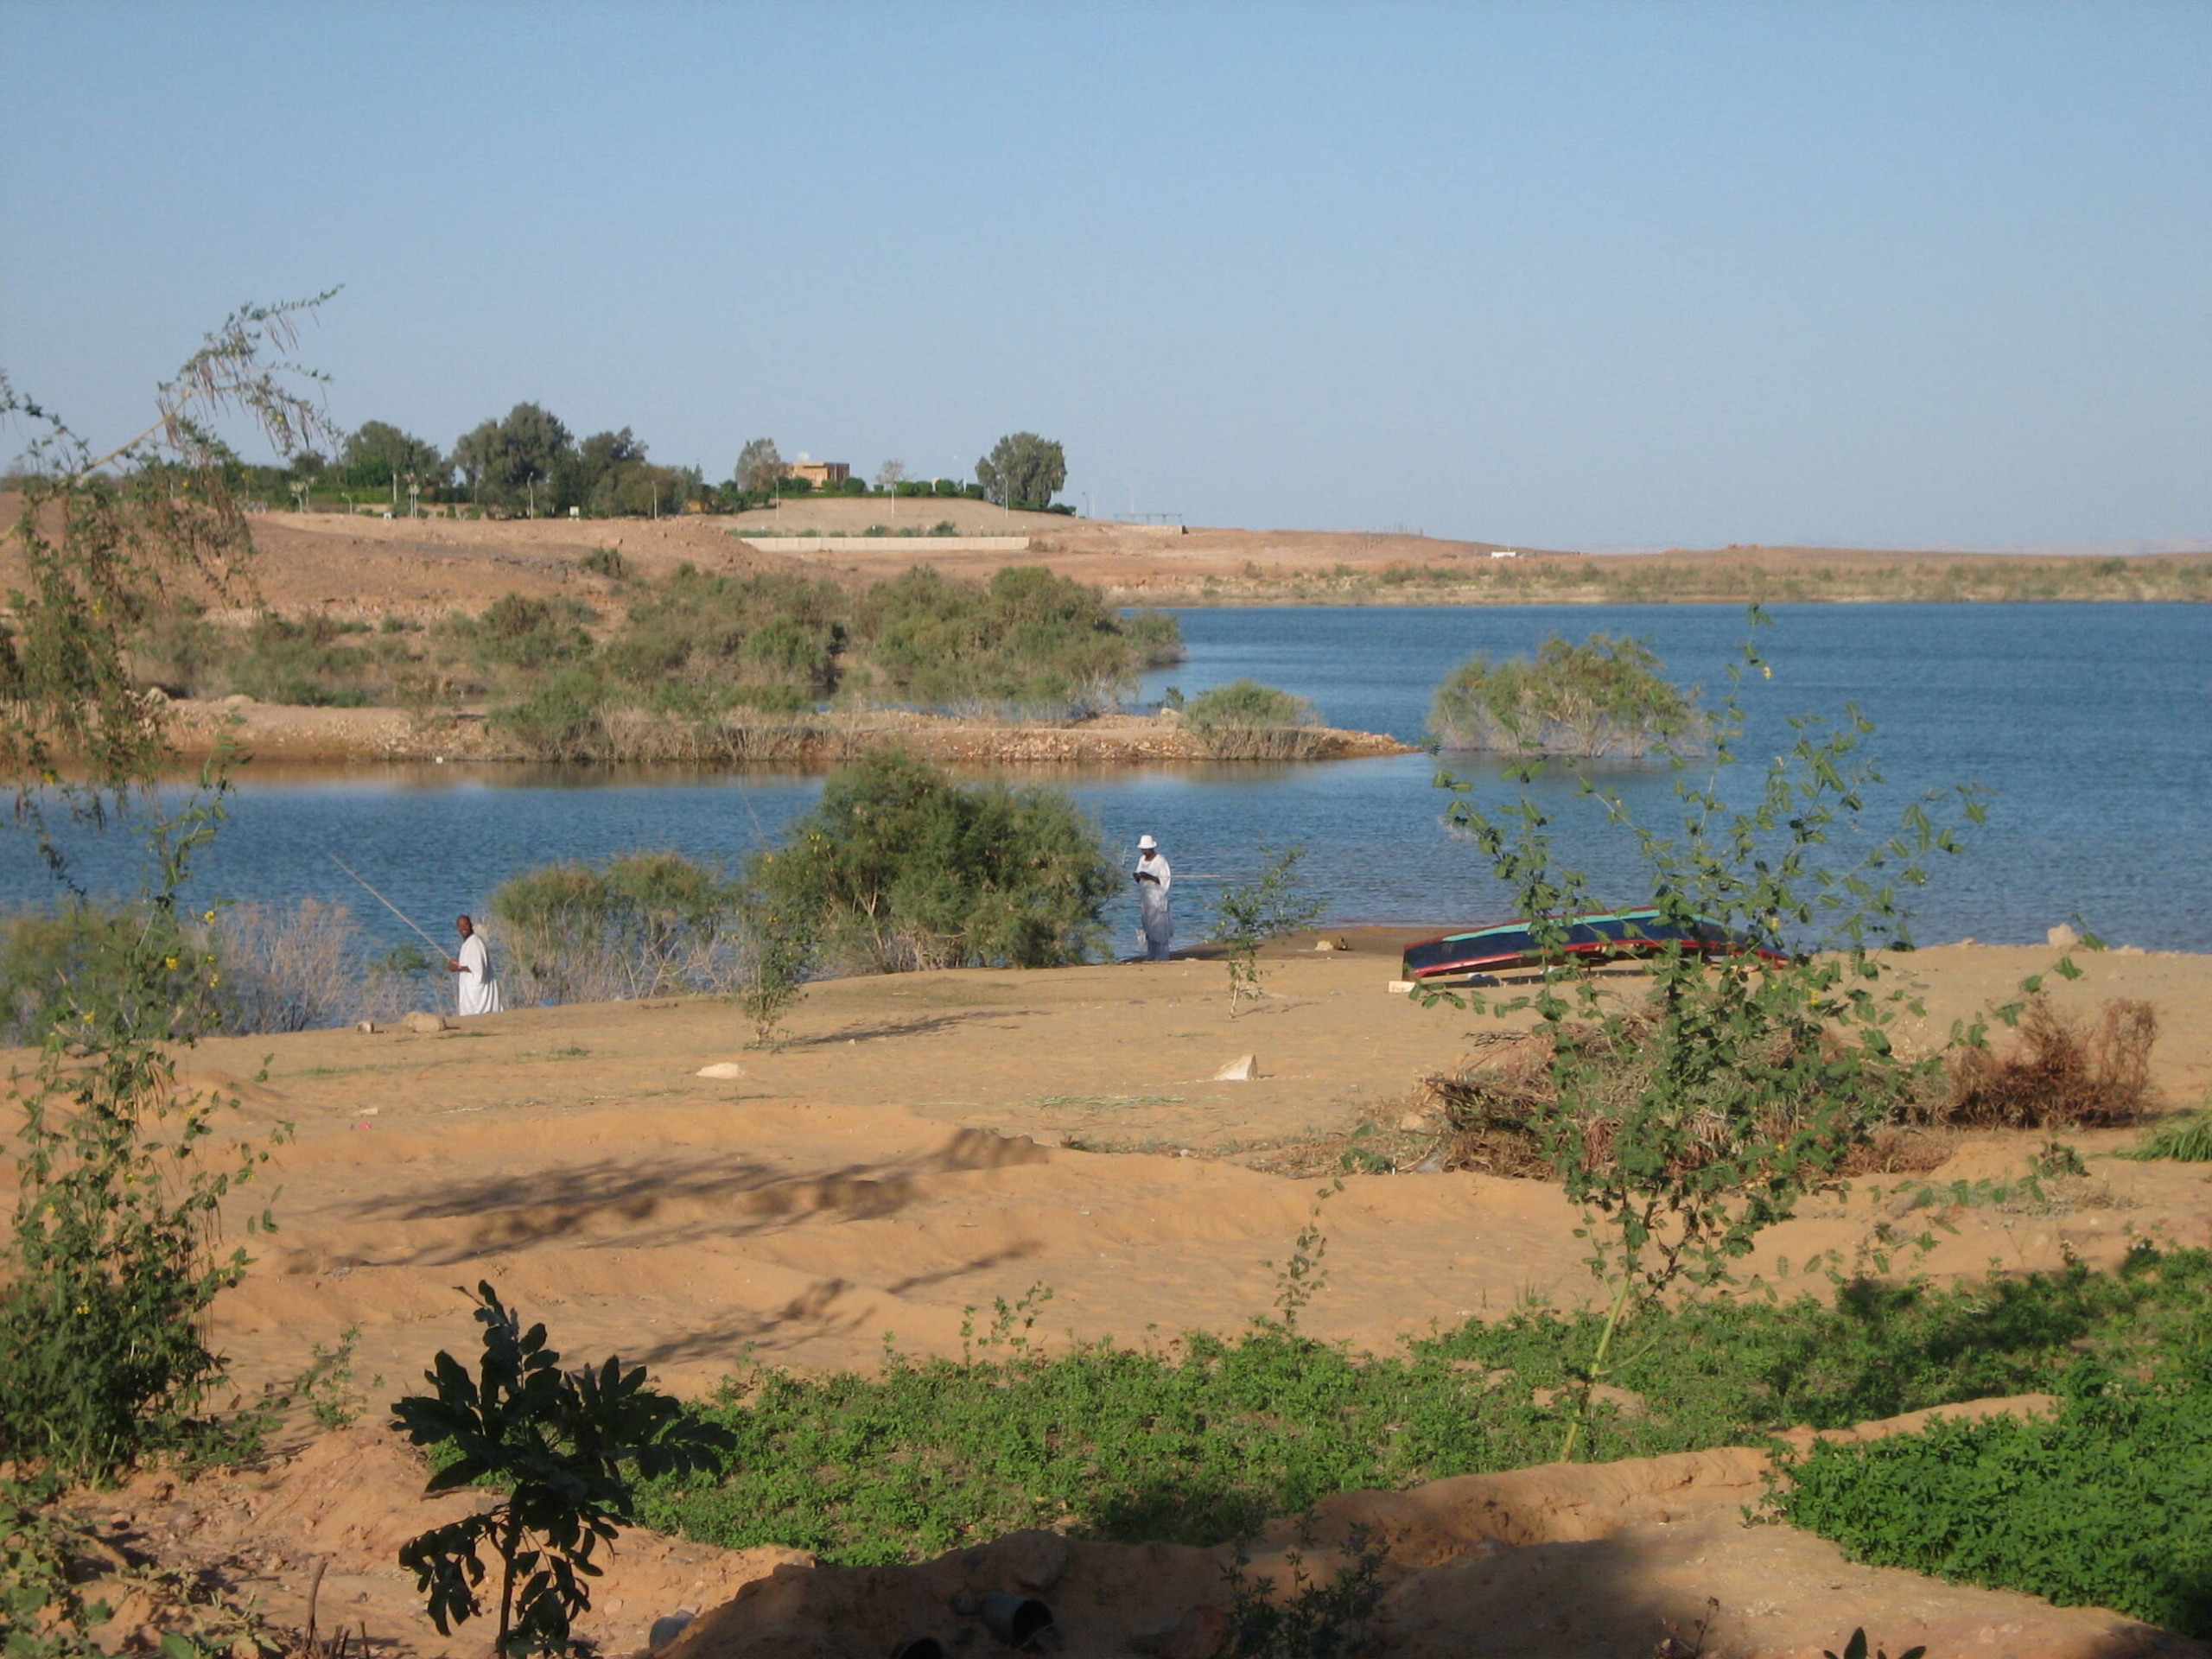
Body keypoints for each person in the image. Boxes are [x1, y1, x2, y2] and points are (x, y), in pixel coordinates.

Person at [447, 914, 504, 1016]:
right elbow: (470, 965)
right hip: (470, 995)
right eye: (460, 926)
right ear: (457, 928)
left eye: (466, 925)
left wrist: (458, 968)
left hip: (477, 1001)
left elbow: (478, 970)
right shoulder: (468, 943)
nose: (463, 928)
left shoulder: (475, 943)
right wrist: (458, 966)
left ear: (471, 925)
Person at [1134, 834, 1173, 961]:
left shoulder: (1160, 861)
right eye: (1143, 849)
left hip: (1158, 899)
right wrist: (1138, 876)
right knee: (1148, 926)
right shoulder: (1142, 860)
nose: (1144, 851)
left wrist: (1148, 876)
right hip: (1146, 900)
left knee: (1160, 927)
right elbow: (1140, 877)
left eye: (1146, 849)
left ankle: (1163, 955)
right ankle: (1151, 953)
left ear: (1152, 848)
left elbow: (1164, 880)